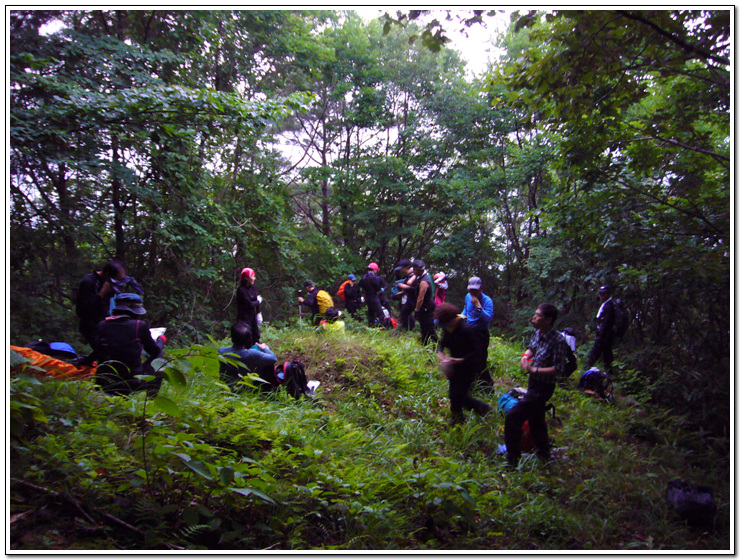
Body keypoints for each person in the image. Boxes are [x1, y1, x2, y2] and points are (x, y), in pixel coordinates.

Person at [504, 303, 569, 467]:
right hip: (533, 383)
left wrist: (534, 370)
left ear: (548, 320)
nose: (534, 317)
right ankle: (544, 453)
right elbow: (532, 348)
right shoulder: (538, 332)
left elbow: (558, 368)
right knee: (536, 420)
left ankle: (512, 460)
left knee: (513, 417)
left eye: (538, 315)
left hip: (543, 388)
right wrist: (525, 356)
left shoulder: (558, 340)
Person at [93, 293, 166, 396]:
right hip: (131, 382)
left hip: (105, 381)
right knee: (160, 357)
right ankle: (151, 398)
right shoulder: (139, 325)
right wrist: (161, 340)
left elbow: (96, 351)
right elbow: (154, 351)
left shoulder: (102, 325)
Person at [435, 303, 493, 425]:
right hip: (454, 367)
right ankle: (457, 419)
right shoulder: (448, 328)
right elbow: (442, 342)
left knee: (461, 396)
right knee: (453, 395)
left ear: (451, 320)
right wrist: (441, 354)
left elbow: (477, 351)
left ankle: (484, 409)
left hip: (468, 368)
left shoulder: (467, 330)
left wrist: (461, 360)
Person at [75, 259, 127, 365]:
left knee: (111, 347)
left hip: (104, 321)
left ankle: (85, 362)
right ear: (107, 274)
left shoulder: (109, 283)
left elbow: (108, 304)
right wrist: (101, 294)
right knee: (104, 352)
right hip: (90, 324)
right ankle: (101, 377)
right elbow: (83, 309)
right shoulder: (89, 283)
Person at [218, 322, 277, 391]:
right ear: (248, 340)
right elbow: (273, 358)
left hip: (226, 387)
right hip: (244, 388)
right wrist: (265, 348)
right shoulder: (252, 354)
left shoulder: (222, 352)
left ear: (231, 338)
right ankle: (267, 389)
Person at [462, 276, 495, 388]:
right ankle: (470, 382)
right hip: (469, 331)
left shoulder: (487, 301)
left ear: (481, 288)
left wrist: (478, 306)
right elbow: (466, 310)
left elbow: (488, 318)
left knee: (480, 360)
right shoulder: (467, 297)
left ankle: (487, 386)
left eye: (475, 290)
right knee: (468, 358)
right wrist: (460, 317)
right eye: (471, 290)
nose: (472, 292)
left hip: (481, 333)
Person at [584, 285, 615, 374]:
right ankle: (609, 373)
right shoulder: (605, 305)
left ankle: (586, 369)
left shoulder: (609, 306)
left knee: (596, 352)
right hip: (604, 334)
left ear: (608, 294)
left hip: (605, 335)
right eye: (600, 294)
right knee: (607, 354)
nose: (601, 296)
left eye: (603, 294)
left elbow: (606, 323)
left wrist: (601, 335)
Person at [412, 259, 437, 345]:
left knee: (429, 327)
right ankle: (425, 344)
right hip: (425, 306)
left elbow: (420, 298)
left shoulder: (424, 281)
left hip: (426, 307)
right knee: (423, 327)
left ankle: (435, 346)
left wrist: (417, 310)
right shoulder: (421, 277)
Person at [236, 267, 261, 343]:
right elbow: (249, 304)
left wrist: (258, 312)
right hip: (244, 317)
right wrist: (258, 302)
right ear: (247, 278)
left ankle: (257, 348)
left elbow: (255, 299)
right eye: (252, 276)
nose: (254, 278)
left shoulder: (252, 287)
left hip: (252, 315)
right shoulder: (241, 290)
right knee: (247, 336)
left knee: (256, 334)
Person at [358, 262, 387, 327]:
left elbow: (359, 284)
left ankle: (371, 326)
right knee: (380, 313)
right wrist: (379, 290)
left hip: (367, 297)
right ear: (374, 270)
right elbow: (377, 287)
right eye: (376, 270)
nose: (376, 271)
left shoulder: (364, 277)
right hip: (374, 296)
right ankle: (383, 327)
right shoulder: (373, 278)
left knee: (371, 313)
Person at [392, 259, 416, 331]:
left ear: (406, 267)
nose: (401, 270)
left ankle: (408, 329)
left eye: (401, 268)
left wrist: (404, 288)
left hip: (412, 298)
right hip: (406, 297)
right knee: (404, 312)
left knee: (405, 312)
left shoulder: (414, 276)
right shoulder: (407, 276)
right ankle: (407, 328)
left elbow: (414, 288)